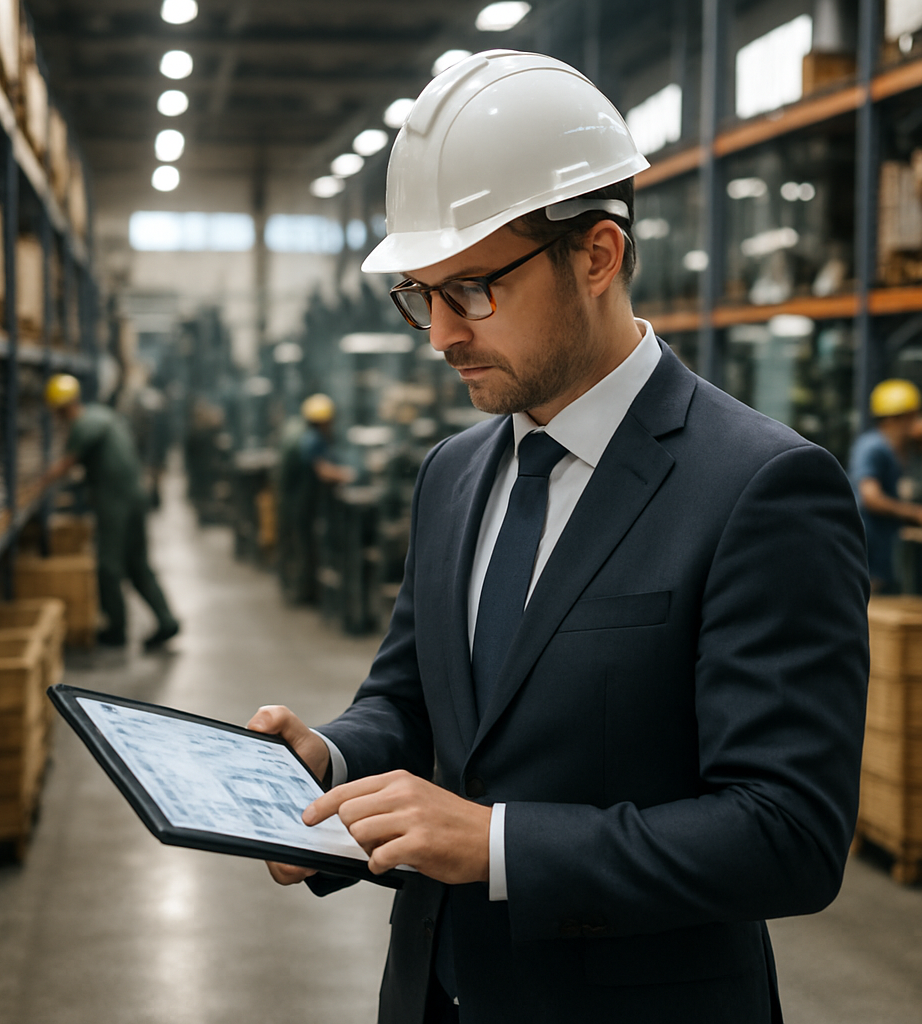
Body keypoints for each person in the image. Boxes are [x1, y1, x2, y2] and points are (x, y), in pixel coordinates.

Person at [247, 51, 869, 1024]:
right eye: (421, 294)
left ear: (597, 255)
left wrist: (497, 845)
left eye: (473, 289)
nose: (440, 335)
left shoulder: (759, 487)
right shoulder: (452, 473)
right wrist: (327, 760)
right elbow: (413, 704)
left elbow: (786, 833)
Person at [41, 374, 180, 650]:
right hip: (135, 496)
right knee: (138, 563)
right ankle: (167, 621)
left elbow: (67, 464)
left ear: (59, 408)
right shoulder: (102, 415)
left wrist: (36, 485)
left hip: (116, 501)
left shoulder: (83, 424)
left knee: (107, 566)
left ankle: (116, 630)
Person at [276, 394, 355, 603]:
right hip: (298, 503)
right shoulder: (311, 439)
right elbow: (322, 470)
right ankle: (303, 593)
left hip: (294, 500)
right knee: (303, 546)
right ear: (323, 421)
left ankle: (301, 589)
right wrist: (348, 474)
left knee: (299, 545)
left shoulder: (301, 432)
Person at [847, 378, 922, 592]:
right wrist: (915, 513)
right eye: (911, 416)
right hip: (868, 541)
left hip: (885, 544)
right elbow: (870, 497)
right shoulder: (872, 447)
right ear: (894, 419)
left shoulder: (902, 450)